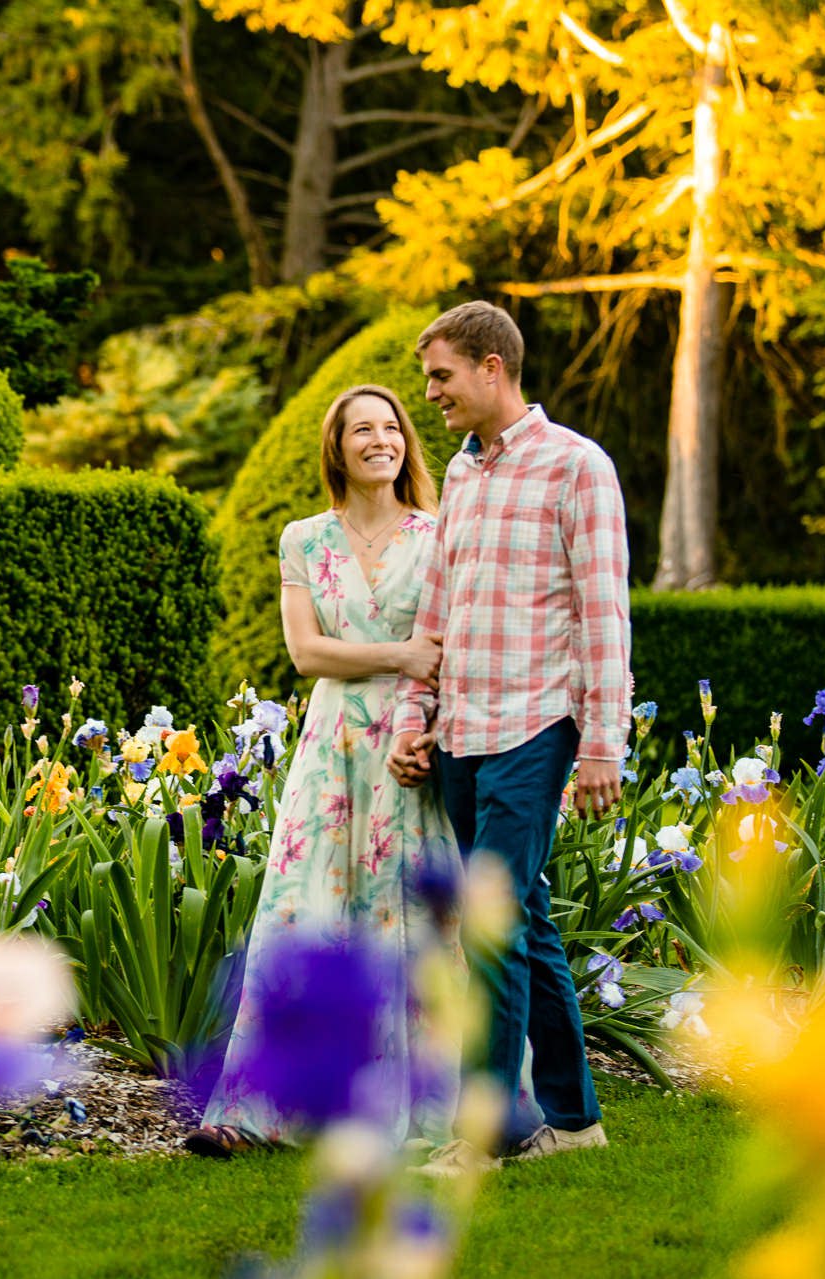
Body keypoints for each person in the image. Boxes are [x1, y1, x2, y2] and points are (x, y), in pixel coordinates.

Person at [387, 300, 631, 1172]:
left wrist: (603, 740)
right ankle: (573, 1116)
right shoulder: (462, 474)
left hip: (536, 724)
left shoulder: (577, 466)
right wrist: (415, 715)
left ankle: (483, 1133)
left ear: (494, 367)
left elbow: (603, 611)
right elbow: (439, 604)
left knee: (488, 924)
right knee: (523, 917)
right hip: (462, 731)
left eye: (443, 375)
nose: (432, 394)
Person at [182, 384, 454, 1157]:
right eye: (361, 429)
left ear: (407, 443)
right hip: (331, 752)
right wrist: (399, 653)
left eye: (391, 427)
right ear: (336, 448)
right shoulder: (303, 538)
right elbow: (306, 653)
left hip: (407, 750)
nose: (381, 440)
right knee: (304, 917)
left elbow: (447, 655)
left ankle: (399, 1103)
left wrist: (419, 698)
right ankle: (254, 1109)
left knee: (402, 921)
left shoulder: (439, 536)